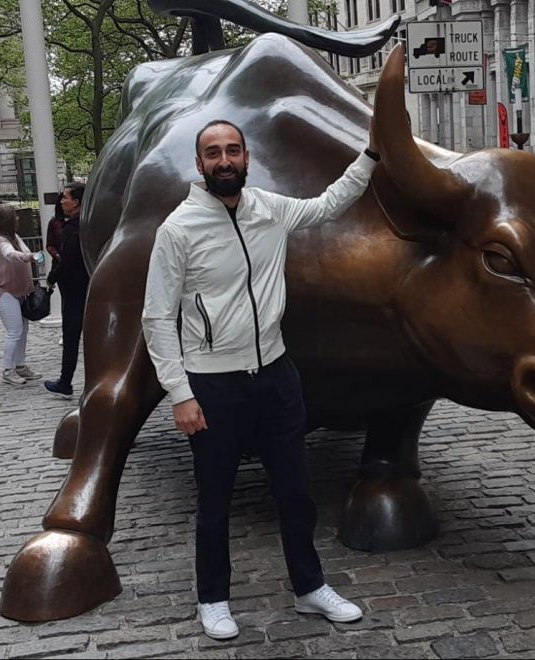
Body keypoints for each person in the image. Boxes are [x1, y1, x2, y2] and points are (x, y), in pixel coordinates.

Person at [141, 119, 380, 641]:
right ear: (199, 164)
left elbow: (327, 204)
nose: (224, 160)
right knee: (215, 499)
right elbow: (156, 318)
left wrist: (373, 154)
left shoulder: (268, 208)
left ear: (246, 157)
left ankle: (309, 588)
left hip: (275, 375)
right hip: (213, 384)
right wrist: (180, 394)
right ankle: (213, 598)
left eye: (232, 150)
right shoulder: (178, 229)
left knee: (296, 493)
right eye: (213, 153)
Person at [0, 205, 42, 386]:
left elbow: (22, 251)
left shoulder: (13, 237)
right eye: (14, 217)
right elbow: (10, 254)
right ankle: (8, 369)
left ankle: (20, 365)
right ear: (6, 220)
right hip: (3, 290)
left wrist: (29, 256)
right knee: (15, 331)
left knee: (22, 330)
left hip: (19, 290)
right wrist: (29, 257)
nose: (17, 219)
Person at [44, 183, 89, 399]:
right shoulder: (89, 224)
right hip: (89, 287)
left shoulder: (73, 229)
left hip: (74, 290)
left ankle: (65, 382)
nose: (62, 201)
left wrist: (52, 278)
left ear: (77, 202)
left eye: (65, 198)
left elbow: (68, 261)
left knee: (71, 338)